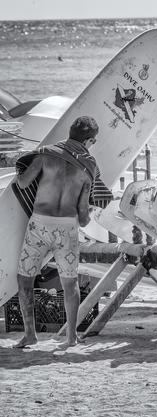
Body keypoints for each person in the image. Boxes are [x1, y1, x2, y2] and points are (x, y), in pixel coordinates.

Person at [13, 116, 99, 349]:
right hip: (67, 229)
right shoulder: (89, 168)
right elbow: (82, 217)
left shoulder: (46, 154)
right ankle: (71, 337)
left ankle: (30, 335)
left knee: (24, 279)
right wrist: (91, 216)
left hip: (39, 226)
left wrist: (17, 170)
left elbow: (22, 183)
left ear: (69, 133)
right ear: (90, 140)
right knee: (69, 283)